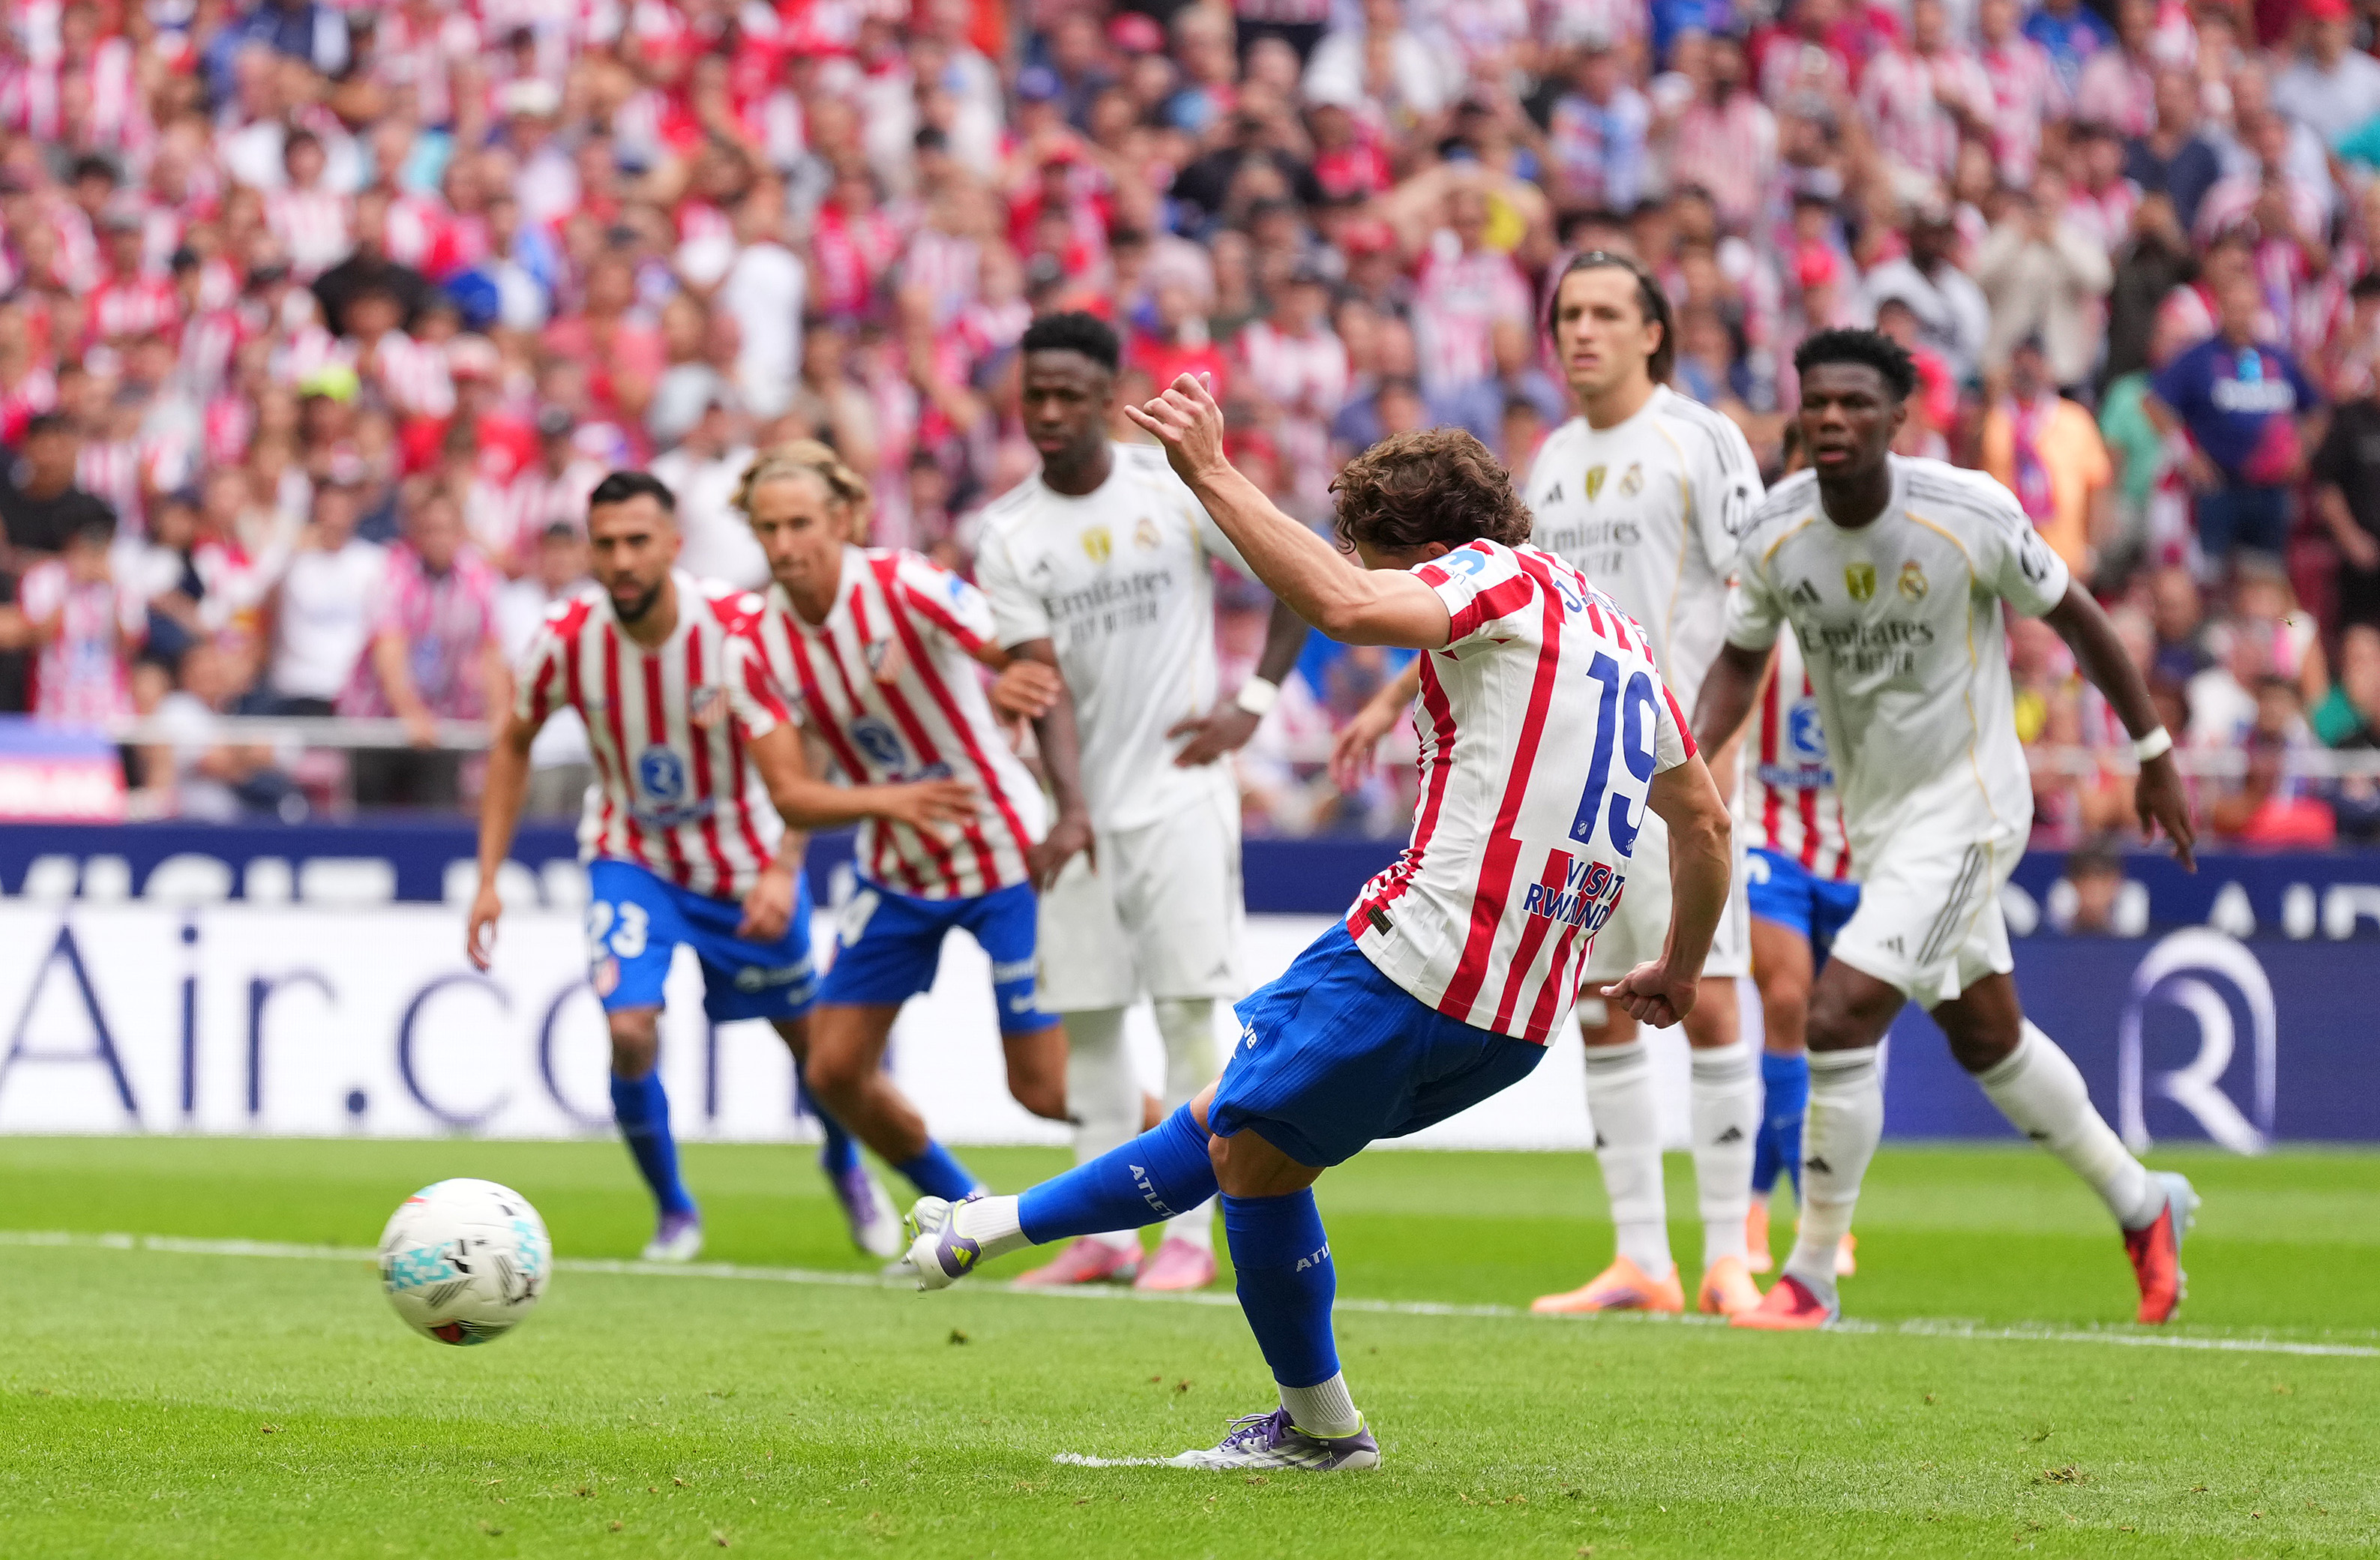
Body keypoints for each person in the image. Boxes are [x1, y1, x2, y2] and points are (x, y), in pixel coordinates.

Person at [904, 376, 1732, 1472]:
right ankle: (987, 1228)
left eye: (1364, 547)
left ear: (1410, 545)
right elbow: (1704, 824)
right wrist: (1675, 967)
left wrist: (1206, 470)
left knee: (1244, 1154)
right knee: (1240, 1130)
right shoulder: (1618, 637)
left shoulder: (1485, 576)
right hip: (1520, 1012)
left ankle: (1316, 1431)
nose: (1360, 570)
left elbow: (1343, 607)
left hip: (1424, 948)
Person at [1694, 328, 2199, 1330]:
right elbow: (1740, 660)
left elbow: (2079, 617)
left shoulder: (1967, 512)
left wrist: (2151, 751)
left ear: (1896, 418)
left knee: (1838, 1014)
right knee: (1987, 1038)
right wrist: (1686, 755)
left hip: (1970, 810)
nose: (1832, 419)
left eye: (1854, 404)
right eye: (1817, 404)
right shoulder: (1774, 531)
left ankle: (1806, 1278)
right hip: (1876, 820)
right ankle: (2144, 1204)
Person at [1334, 251, 1768, 1319]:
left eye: (1606, 313)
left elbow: (1759, 605)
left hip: (1678, 771)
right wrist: (1397, 699)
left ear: (1652, 332)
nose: (1583, 332)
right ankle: (1640, 1261)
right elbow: (1508, 606)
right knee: (1596, 1005)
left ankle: (1728, 1257)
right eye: (1568, 314)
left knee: (1704, 996)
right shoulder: (1556, 459)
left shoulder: (1700, 439)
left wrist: (1702, 754)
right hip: (1568, 782)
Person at [467, 470, 972, 1262]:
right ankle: (674, 1211)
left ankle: (845, 1165)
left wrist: (784, 863)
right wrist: (489, 877)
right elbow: (512, 740)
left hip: (747, 861)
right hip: (630, 853)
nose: (623, 559)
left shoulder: (738, 628)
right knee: (630, 1030)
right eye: (606, 544)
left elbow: (807, 745)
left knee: (818, 1054)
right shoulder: (566, 637)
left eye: (639, 541)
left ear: (674, 543)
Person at [971, 312, 1311, 1292]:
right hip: (1081, 813)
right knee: (1087, 1023)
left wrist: (1251, 704)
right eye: (1034, 393)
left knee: (1186, 1014)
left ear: (1108, 391)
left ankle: (1191, 1242)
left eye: (1069, 394)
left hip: (1179, 797)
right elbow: (1040, 682)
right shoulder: (1007, 533)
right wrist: (1068, 809)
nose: (1047, 411)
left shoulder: (1170, 486)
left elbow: (1292, 566)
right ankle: (1103, 1238)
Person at [737, 441, 1096, 1214]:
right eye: (767, 528)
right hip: (896, 870)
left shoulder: (905, 583)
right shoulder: (754, 644)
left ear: (843, 520)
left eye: (799, 523)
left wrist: (1021, 669)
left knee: (1045, 1086)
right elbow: (792, 795)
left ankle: (1206, 1148)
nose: (783, 544)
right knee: (831, 1071)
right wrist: (890, 803)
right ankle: (963, 1207)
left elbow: (1010, 644)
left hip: (1005, 854)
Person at [1735, 619, 1859, 1278]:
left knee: (1829, 1031)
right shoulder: (1761, 609)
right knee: (1786, 1002)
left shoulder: (1879, 616)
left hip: (1858, 844)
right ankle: (1819, 1218)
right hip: (1770, 836)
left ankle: (1752, 1204)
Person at [2147, 273, 2325, 570]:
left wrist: (2301, 452)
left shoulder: (2279, 358)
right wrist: (2188, 456)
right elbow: (2154, 404)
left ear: (2259, 309)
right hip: (2219, 486)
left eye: (2247, 307)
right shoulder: (2198, 357)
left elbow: (2318, 409)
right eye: (2233, 306)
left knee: (2266, 574)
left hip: (2270, 488)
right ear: (2220, 308)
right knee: (2212, 575)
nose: (2241, 315)